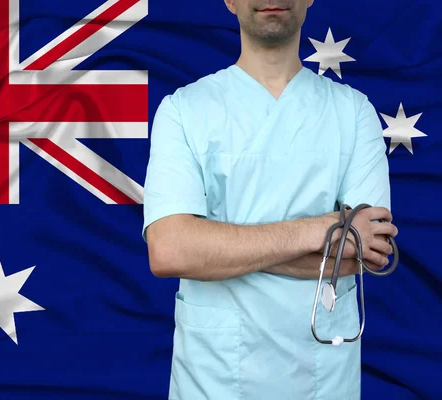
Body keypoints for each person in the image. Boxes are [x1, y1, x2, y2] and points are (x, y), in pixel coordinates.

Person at [141, 0, 400, 399]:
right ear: (229, 1)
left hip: (322, 377)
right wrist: (324, 229)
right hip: (212, 377)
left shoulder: (353, 112)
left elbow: (366, 251)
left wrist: (217, 249)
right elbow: (171, 251)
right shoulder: (183, 110)